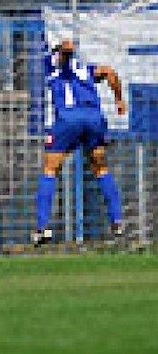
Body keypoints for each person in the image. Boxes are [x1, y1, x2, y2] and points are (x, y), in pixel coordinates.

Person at [32, 39, 126, 246]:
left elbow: (63, 57)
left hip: (68, 118)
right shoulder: (86, 69)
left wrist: (64, 49)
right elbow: (109, 72)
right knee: (100, 168)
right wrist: (119, 99)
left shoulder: (53, 66)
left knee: (50, 169)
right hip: (94, 118)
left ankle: (42, 227)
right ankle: (117, 221)